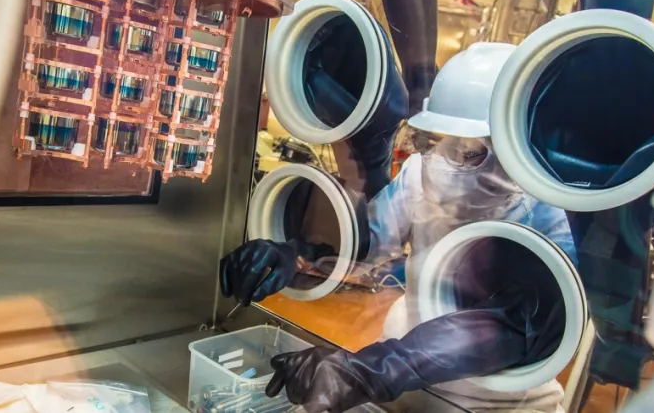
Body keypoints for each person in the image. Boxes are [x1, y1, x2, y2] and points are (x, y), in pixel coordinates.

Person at [219, 43, 577, 413]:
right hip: (405, 389)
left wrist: (369, 371)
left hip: (498, 405)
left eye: (468, 151)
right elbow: (368, 242)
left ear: (516, 149)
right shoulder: (422, 173)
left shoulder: (552, 216)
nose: (442, 164)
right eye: (433, 141)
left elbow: (514, 326)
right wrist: (294, 254)